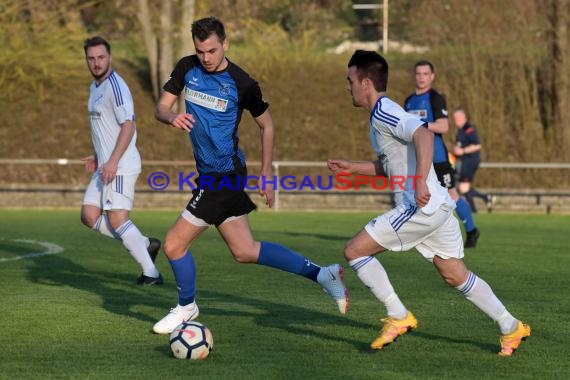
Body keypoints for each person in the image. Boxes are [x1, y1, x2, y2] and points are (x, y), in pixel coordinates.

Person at [151, 17, 348, 334]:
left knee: (174, 245)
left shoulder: (242, 83)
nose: (206, 58)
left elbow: (267, 124)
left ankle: (186, 307)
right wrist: (171, 117)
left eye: (212, 50)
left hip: (224, 174)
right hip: (209, 174)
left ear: (225, 44)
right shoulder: (187, 67)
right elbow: (160, 108)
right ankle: (324, 275)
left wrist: (266, 173)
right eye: (201, 51)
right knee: (244, 250)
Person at [327, 50, 530, 356]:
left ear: (365, 83)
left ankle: (398, 315)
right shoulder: (379, 118)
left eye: (350, 80)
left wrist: (420, 179)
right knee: (454, 273)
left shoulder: (385, 111)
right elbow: (391, 165)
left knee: (354, 251)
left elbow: (423, 136)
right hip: (435, 207)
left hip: (419, 206)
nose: (348, 86)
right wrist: (353, 168)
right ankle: (511, 326)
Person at [80, 36, 163, 285]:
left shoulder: (116, 87)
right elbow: (105, 128)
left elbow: (128, 125)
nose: (96, 63)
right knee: (89, 215)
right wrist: (99, 157)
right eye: (91, 58)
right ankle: (144, 243)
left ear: (110, 58)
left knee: (117, 218)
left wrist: (113, 161)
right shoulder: (94, 88)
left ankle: (152, 274)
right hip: (106, 165)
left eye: (101, 57)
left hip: (121, 165)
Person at [404, 61, 480, 248]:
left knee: (452, 194)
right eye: (418, 73)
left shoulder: (436, 98)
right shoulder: (408, 101)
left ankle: (471, 230)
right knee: (417, 195)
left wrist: (420, 125)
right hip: (418, 158)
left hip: (437, 157)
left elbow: (443, 126)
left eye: (425, 73)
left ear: (432, 76)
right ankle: (417, 235)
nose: (421, 77)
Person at [453, 108, 492, 213]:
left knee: (463, 187)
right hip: (464, 161)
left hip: (471, 161)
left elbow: (477, 145)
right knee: (462, 188)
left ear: (463, 117)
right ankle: (484, 199)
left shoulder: (469, 129)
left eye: (457, 117)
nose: (455, 120)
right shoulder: (460, 131)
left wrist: (463, 151)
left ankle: (476, 209)